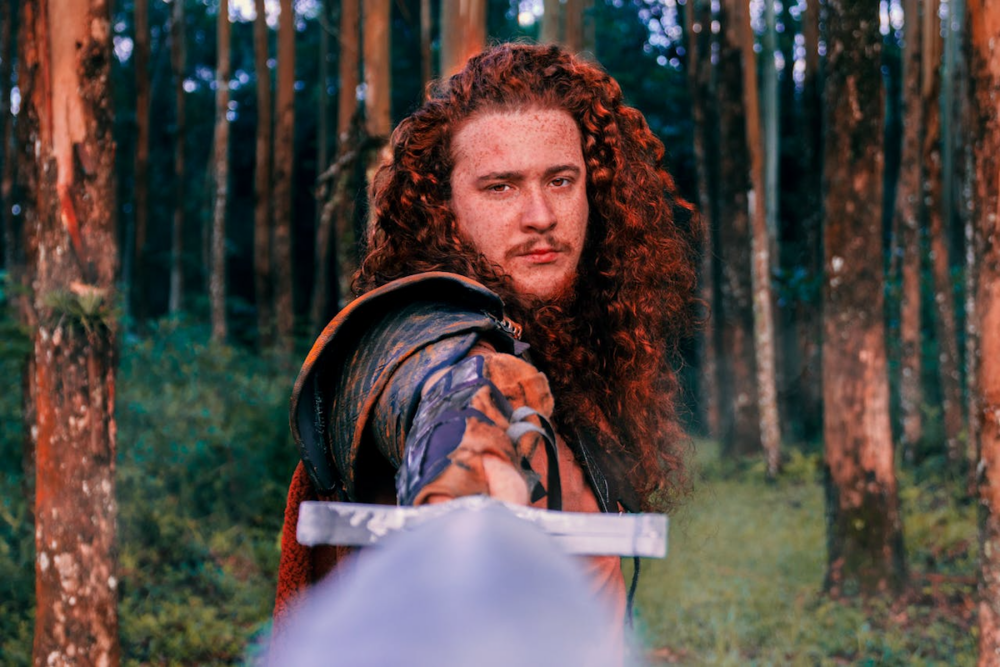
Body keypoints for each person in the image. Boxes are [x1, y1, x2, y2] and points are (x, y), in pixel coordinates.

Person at [274, 42, 700, 644]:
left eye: (561, 180)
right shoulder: (439, 341)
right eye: (500, 187)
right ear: (444, 209)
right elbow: (458, 399)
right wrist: (469, 485)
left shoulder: (557, 344)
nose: (540, 214)